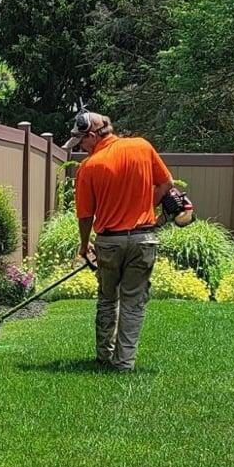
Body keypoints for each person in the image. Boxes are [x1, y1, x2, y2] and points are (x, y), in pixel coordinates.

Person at [66, 111, 175, 371]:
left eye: (81, 142)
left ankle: (105, 355)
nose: (80, 148)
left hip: (109, 243)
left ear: (92, 135)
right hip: (143, 240)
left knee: (107, 299)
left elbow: (85, 216)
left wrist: (84, 245)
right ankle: (124, 363)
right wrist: (145, 208)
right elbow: (166, 183)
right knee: (133, 302)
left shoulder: (89, 168)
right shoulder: (142, 147)